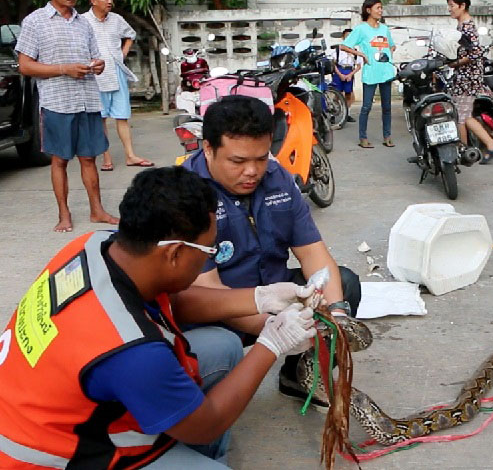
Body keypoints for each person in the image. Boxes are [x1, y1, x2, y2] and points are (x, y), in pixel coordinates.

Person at [0, 166, 317, 468]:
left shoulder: (95, 246)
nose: (210, 258)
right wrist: (271, 345)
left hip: (40, 401)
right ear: (175, 253)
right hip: (52, 457)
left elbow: (175, 301)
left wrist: (260, 297)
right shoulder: (130, 351)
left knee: (222, 345)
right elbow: (206, 425)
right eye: (208, 251)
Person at [182, 95, 362, 412]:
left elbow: (313, 255)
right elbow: (207, 292)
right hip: (219, 311)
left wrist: (337, 316)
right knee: (215, 346)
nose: (252, 171)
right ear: (207, 148)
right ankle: (206, 410)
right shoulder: (186, 194)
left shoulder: (278, 180)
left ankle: (298, 376)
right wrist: (277, 333)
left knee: (344, 284)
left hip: (279, 293)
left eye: (261, 158)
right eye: (237, 161)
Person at [15, 0, 118, 233]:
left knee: (89, 158)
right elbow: (25, 66)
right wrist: (64, 69)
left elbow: (98, 59)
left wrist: (98, 65)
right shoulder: (35, 21)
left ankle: (97, 211)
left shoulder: (84, 23)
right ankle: (64, 214)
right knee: (59, 160)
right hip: (57, 102)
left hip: (87, 100)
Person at [84, 0, 154, 171]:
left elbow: (130, 34)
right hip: (95, 76)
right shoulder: (83, 21)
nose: (109, 1)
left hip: (116, 72)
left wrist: (123, 53)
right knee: (101, 118)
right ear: (93, 0)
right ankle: (106, 157)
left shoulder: (116, 19)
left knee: (122, 116)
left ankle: (130, 155)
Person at [446, 0, 493, 165]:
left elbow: (476, 54)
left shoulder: (467, 27)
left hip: (467, 77)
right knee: (462, 115)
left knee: (463, 116)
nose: (450, 9)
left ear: (462, 6)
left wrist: (455, 64)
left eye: (452, 6)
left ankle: (480, 147)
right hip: (465, 75)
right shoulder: (461, 25)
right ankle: (468, 148)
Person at [339, 0, 396, 148]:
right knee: (366, 107)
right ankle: (363, 138)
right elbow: (343, 46)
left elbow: (392, 45)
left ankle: (387, 136)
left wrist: (388, 56)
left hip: (386, 72)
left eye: (381, 8)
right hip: (371, 72)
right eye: (378, 8)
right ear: (368, 10)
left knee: (387, 107)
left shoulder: (384, 29)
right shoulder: (361, 29)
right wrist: (362, 55)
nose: (380, 11)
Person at [328, 28, 363, 123]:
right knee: (336, 94)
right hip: (339, 71)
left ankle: (346, 114)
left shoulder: (355, 51)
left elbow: (358, 66)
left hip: (349, 72)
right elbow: (333, 64)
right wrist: (340, 74)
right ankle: (333, 115)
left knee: (348, 94)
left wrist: (351, 75)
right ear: (343, 37)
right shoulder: (338, 50)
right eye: (347, 36)